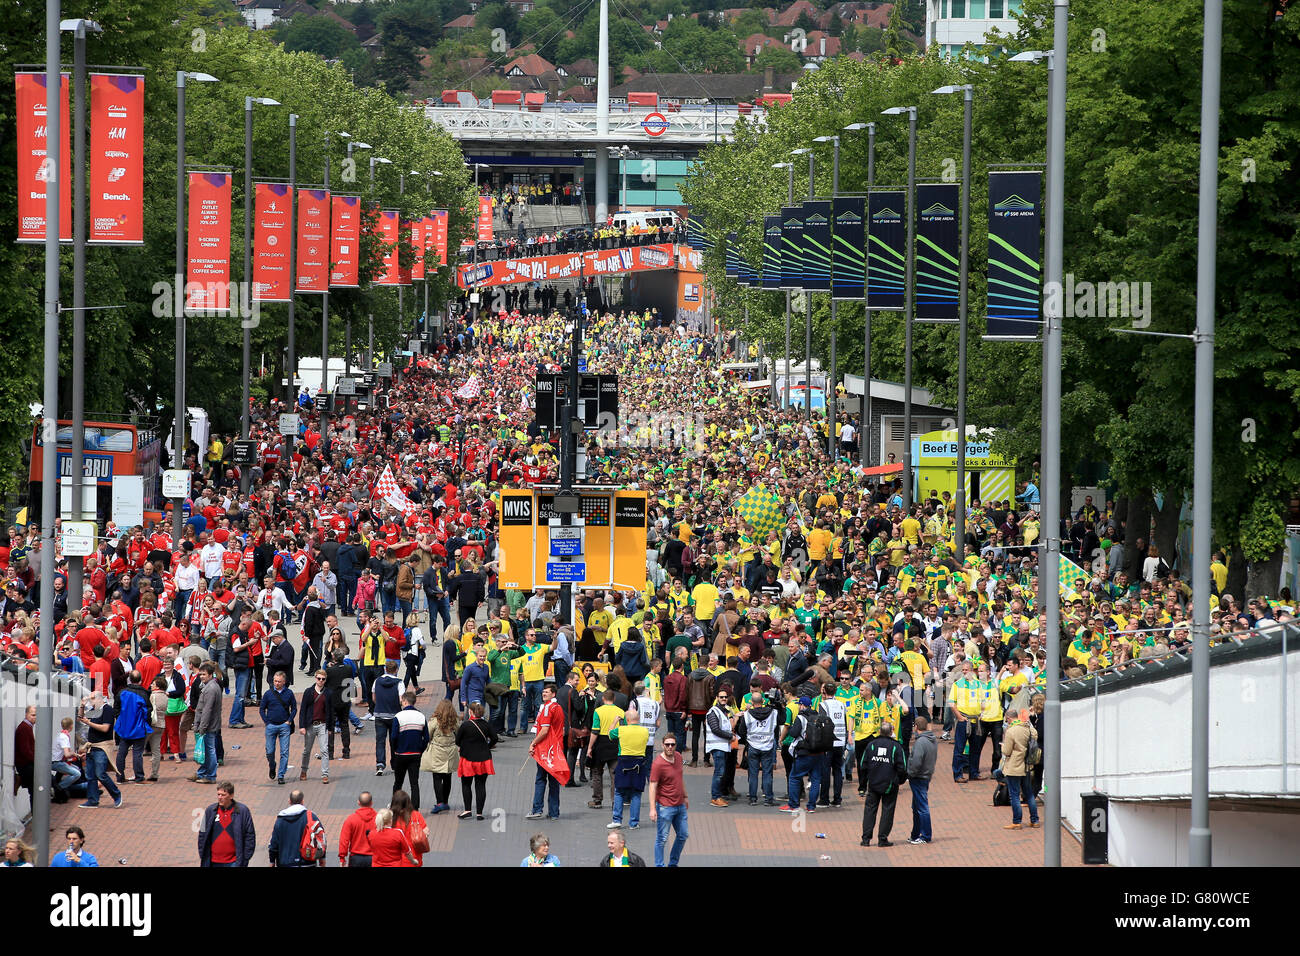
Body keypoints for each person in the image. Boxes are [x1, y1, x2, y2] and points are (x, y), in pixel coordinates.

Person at [860, 721, 908, 847]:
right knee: (888, 811)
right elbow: (902, 767)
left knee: (870, 811)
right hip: (890, 785)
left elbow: (863, 765)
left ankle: (866, 839)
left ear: (880, 731)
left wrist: (863, 784)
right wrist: (900, 780)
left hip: (874, 783)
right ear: (891, 732)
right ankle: (882, 838)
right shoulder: (896, 746)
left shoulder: (871, 745)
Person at [526, 682, 569, 821]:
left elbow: (544, 730)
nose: (544, 694)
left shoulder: (546, 709)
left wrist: (533, 743)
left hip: (546, 749)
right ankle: (554, 812)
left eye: (547, 692)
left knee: (540, 779)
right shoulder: (558, 708)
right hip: (557, 749)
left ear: (553, 694)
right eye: (543, 691)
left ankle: (537, 809)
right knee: (554, 782)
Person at [648, 731, 689, 867]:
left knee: (683, 835)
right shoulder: (658, 764)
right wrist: (653, 809)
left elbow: (680, 778)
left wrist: (685, 796)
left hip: (680, 805)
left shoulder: (678, 757)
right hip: (665, 806)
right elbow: (652, 786)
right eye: (667, 745)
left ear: (676, 745)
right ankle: (659, 865)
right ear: (662, 745)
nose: (670, 747)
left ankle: (673, 864)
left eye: (672, 744)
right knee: (662, 839)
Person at [77, 690, 123, 808]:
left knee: (100, 774)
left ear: (99, 699)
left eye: (92, 698)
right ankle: (93, 800)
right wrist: (82, 705)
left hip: (101, 747)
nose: (90, 701)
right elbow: (80, 718)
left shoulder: (107, 710)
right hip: (92, 747)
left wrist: (89, 723)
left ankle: (116, 794)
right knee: (90, 775)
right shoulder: (94, 711)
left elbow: (105, 728)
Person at [607, 705, 650, 830]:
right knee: (636, 793)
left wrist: (615, 721)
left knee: (619, 791)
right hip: (639, 762)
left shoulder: (621, 730)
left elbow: (610, 734)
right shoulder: (645, 731)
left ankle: (617, 820)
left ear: (627, 720)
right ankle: (634, 822)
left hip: (624, 761)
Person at [454, 701, 497, 820]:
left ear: (470, 712)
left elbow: (457, 741)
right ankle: (479, 813)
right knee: (481, 785)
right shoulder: (486, 725)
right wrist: (487, 746)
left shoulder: (466, 725)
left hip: (468, 758)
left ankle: (467, 810)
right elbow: (495, 738)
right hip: (483, 759)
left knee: (466, 784)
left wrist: (464, 745)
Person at [197, 780, 257, 867]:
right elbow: (202, 833)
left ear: (231, 796)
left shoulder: (242, 811)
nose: (220, 797)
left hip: (234, 862)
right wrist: (202, 853)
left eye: (223, 795)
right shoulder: (210, 810)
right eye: (218, 794)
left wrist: (245, 857)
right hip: (213, 861)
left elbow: (250, 835)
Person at [390, 691, 431, 809]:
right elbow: (426, 737)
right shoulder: (421, 716)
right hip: (415, 754)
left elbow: (393, 736)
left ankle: (395, 806)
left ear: (405, 701)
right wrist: (420, 750)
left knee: (398, 782)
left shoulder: (398, 716)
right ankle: (415, 809)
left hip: (401, 754)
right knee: (414, 783)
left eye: (402, 701)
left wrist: (396, 749)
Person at [1001, 709, 1040, 829]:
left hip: (1014, 767)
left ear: (1009, 718)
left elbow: (1007, 751)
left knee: (1014, 795)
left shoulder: (1011, 731)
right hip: (1026, 766)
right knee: (1029, 794)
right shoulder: (1027, 728)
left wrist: (1003, 747)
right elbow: (1035, 734)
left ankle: (1017, 822)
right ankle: (1035, 820)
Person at [738, 690, 778, 806]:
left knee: (753, 773)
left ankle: (753, 798)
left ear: (751, 701)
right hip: (767, 746)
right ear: (762, 701)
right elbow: (781, 719)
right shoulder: (772, 713)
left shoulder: (747, 714)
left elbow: (741, 731)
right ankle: (768, 799)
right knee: (767, 773)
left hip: (753, 746)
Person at [421, 699, 459, 815]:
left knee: (437, 777)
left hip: (437, 751)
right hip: (450, 751)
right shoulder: (454, 721)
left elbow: (427, 734)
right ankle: (446, 802)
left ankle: (439, 802)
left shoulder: (434, 721)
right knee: (448, 777)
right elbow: (459, 734)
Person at [113, 669, 152, 784]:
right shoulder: (144, 694)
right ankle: (139, 777)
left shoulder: (122, 692)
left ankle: (119, 776)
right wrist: (146, 724)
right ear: (140, 680)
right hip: (138, 727)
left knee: (122, 752)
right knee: (137, 753)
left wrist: (120, 720)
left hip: (124, 727)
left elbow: (116, 708)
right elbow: (148, 711)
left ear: (129, 679)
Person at [259, 670, 297, 784]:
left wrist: (289, 721)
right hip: (271, 725)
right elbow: (262, 709)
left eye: (279, 681)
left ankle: (281, 775)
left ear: (284, 682)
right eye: (275, 681)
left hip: (284, 726)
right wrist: (266, 722)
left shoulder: (289, 693)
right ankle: (272, 764)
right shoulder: (268, 694)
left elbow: (294, 708)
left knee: (284, 752)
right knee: (269, 751)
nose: (276, 683)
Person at [268, 789, 323, 867]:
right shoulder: (311, 817)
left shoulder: (280, 820)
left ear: (289, 801)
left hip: (285, 863)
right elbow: (320, 839)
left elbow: (274, 843)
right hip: (307, 862)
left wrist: (272, 861)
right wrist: (322, 859)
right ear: (302, 801)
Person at [705, 688, 737, 807]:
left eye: (725, 697)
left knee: (721, 772)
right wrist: (730, 737)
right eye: (721, 697)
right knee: (719, 772)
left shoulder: (724, 711)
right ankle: (715, 797)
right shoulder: (713, 712)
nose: (724, 699)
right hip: (717, 746)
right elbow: (715, 729)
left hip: (723, 746)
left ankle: (717, 796)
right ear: (717, 698)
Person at [907, 714, 937, 845]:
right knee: (917, 806)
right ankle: (915, 834)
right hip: (925, 775)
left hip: (918, 777)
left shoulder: (920, 742)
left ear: (916, 726)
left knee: (922, 807)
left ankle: (925, 835)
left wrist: (910, 773)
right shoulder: (932, 740)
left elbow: (916, 761)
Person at [299, 669, 332, 784]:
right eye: (319, 678)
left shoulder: (328, 693)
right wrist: (302, 726)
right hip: (310, 725)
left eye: (323, 679)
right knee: (307, 750)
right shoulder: (308, 692)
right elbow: (303, 709)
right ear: (315, 678)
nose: (321, 681)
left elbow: (330, 711)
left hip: (323, 725)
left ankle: (325, 774)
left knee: (324, 750)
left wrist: (330, 728)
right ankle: (304, 770)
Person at [372, 660, 403, 776]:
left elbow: (374, 698)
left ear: (385, 669)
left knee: (380, 741)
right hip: (394, 716)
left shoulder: (377, 681)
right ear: (396, 670)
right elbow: (401, 700)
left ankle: (380, 764)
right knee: (394, 740)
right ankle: (394, 764)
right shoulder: (399, 683)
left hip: (379, 715)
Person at [12, 705, 35, 805]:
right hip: (25, 764)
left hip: (27, 763)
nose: (35, 717)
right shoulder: (24, 728)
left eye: (36, 715)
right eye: (33, 715)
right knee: (35, 790)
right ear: (26, 715)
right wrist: (36, 760)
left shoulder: (28, 727)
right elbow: (25, 750)